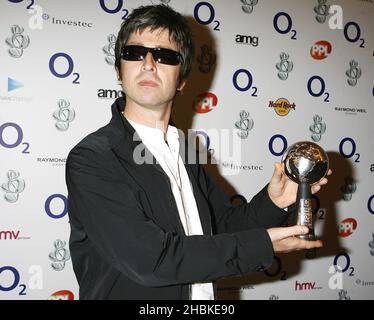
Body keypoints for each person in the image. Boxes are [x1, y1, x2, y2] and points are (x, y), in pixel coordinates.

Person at [66, 4, 330, 300]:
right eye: (135, 53)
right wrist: (263, 245)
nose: (149, 63)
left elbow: (224, 228)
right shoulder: (93, 158)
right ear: (119, 69)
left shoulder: (184, 152)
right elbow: (151, 260)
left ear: (182, 81)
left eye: (165, 56)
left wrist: (275, 201)